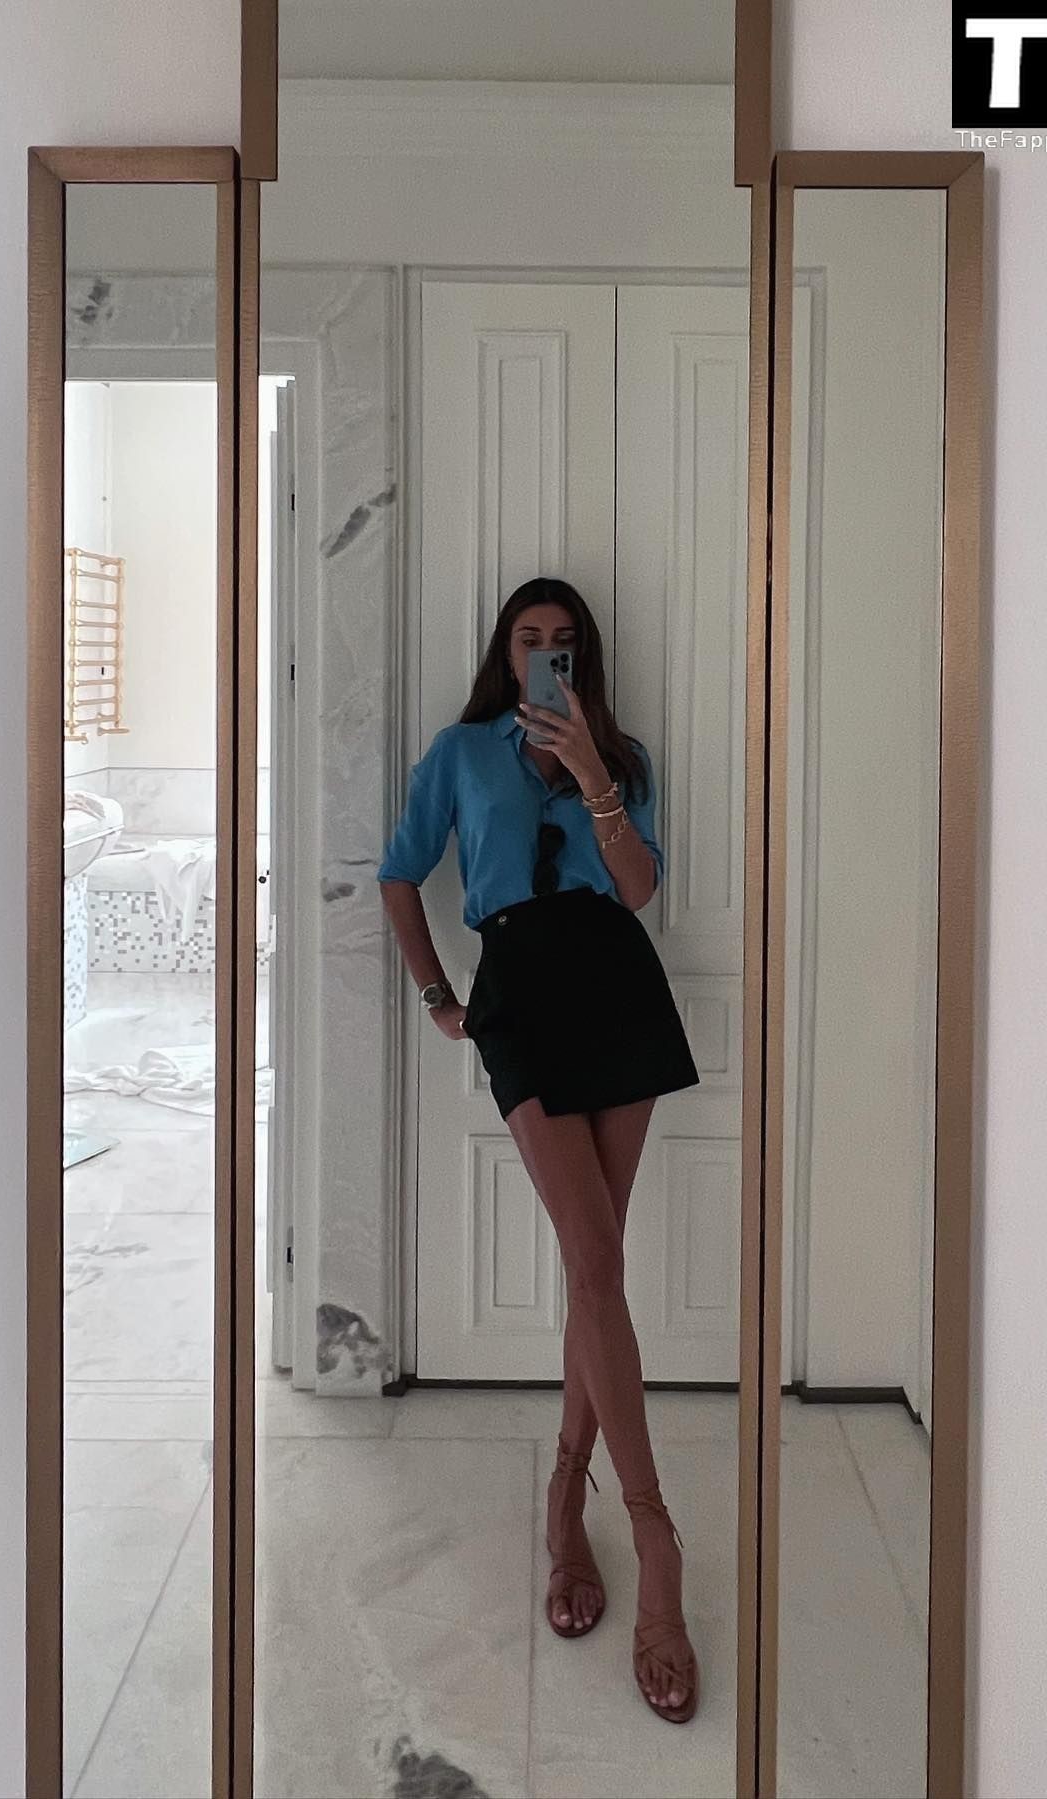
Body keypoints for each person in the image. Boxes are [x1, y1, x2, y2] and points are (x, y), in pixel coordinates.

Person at [378, 575, 702, 1724]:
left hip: (619, 988)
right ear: (506, 652)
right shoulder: (461, 752)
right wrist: (437, 993)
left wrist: (597, 776)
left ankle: (569, 1498)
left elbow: (639, 888)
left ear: (584, 657)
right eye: (531, 639)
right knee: (596, 1261)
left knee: (592, 1268)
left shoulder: (623, 755)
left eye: (565, 641)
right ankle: (654, 1535)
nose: (548, 654)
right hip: (518, 991)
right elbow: (400, 870)